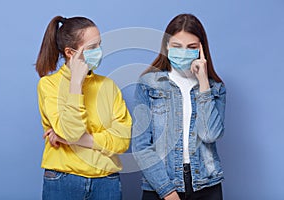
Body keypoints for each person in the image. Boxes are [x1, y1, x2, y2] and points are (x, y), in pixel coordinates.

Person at [35, 15, 132, 200]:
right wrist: (75, 85)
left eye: (99, 45)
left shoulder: (108, 86)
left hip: (107, 181)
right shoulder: (49, 85)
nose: (99, 52)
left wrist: (74, 140)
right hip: (63, 180)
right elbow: (72, 131)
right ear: (71, 53)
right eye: (92, 48)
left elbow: (122, 140)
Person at [132, 13, 226, 200]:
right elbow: (140, 146)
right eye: (177, 46)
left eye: (191, 47)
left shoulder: (215, 88)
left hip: (206, 185)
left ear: (201, 49)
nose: (183, 52)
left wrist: (203, 85)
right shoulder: (149, 84)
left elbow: (210, 135)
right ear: (166, 46)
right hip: (160, 184)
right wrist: (167, 190)